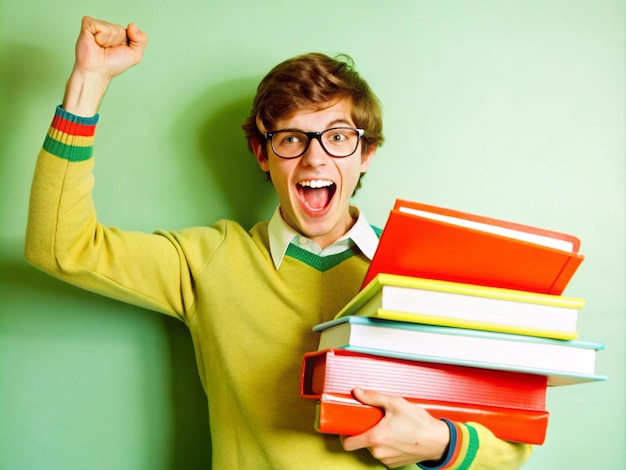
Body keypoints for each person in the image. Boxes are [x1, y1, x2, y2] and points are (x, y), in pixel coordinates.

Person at [25, 16, 532, 469]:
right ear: (262, 154)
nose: (314, 159)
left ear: (366, 153)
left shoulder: (425, 275)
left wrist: (439, 442)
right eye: (291, 138)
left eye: (337, 136)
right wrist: (88, 83)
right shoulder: (208, 261)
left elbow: (512, 447)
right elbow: (59, 246)